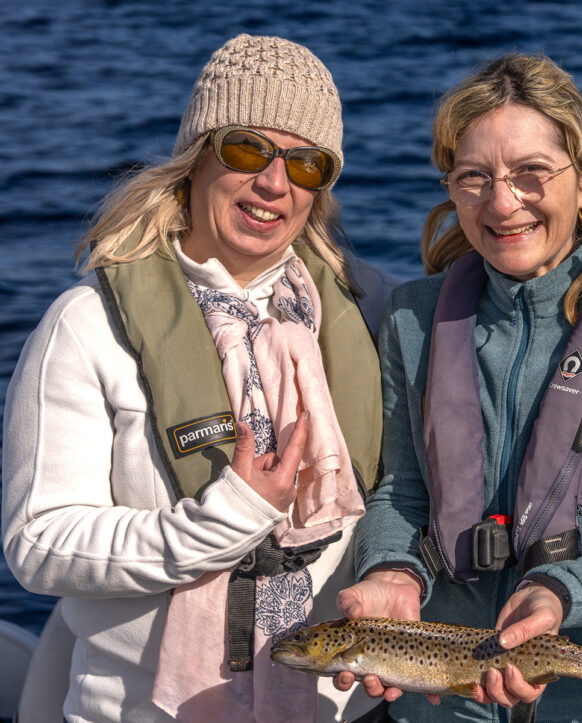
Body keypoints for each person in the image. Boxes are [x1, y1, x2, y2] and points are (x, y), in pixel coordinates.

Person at [2, 34, 387, 723]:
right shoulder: (86, 326)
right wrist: (226, 519)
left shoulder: (370, 313)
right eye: (247, 150)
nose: (275, 183)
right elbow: (39, 544)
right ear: (196, 157)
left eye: (307, 164)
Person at [332, 53, 582, 723]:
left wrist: (558, 594)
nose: (503, 203)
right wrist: (390, 570)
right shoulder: (412, 319)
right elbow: (400, 492)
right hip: (442, 702)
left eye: (531, 172)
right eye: (474, 177)